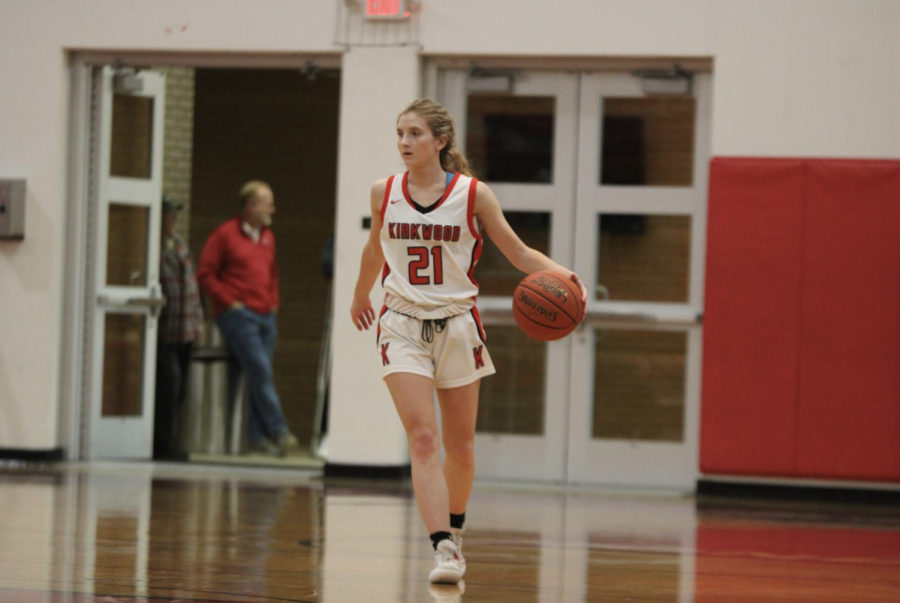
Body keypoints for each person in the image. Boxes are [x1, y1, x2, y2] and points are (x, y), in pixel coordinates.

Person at [350, 99, 588, 585]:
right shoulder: (384, 191)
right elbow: (375, 247)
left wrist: (565, 275)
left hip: (458, 324)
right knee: (423, 438)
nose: (403, 142)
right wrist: (359, 294)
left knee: (460, 448)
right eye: (399, 133)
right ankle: (443, 550)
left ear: (441, 141)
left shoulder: (473, 195)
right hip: (401, 323)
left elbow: (518, 252)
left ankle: (455, 533)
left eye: (414, 133)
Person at [197, 181, 299, 457]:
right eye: (268, 203)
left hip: (266, 315)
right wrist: (230, 303)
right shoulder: (224, 236)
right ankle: (278, 431)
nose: (273, 209)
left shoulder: (268, 238)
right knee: (260, 370)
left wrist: (274, 303)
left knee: (259, 373)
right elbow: (205, 273)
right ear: (251, 206)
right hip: (239, 317)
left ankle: (256, 437)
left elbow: (272, 274)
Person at [155, 194, 204, 461]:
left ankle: (170, 441)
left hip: (184, 329)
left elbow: (192, 285)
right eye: (168, 213)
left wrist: (198, 320)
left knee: (179, 388)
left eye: (175, 214)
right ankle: (160, 444)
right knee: (167, 385)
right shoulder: (151, 243)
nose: (173, 219)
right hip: (163, 330)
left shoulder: (179, 244)